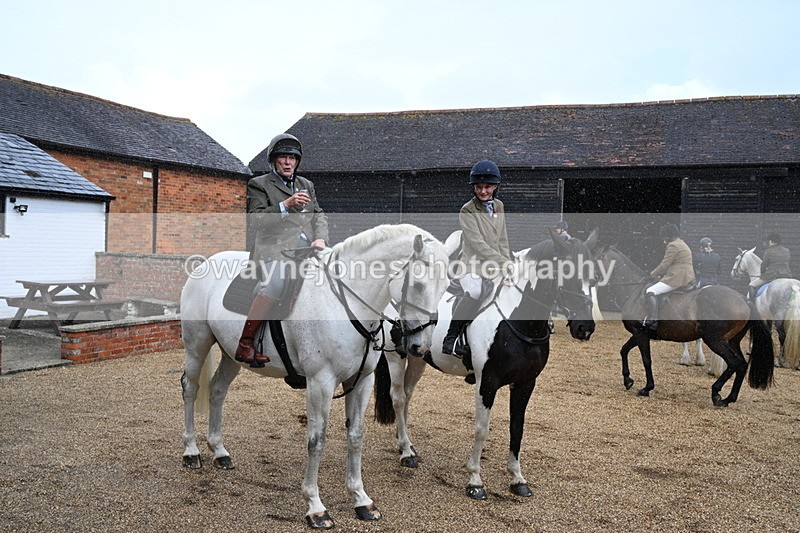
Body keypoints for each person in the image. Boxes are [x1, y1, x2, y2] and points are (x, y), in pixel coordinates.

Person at [236, 133, 329, 367]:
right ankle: (245, 343)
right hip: (273, 251)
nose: (288, 162)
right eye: (283, 158)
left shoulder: (306, 185)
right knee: (276, 282)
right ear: (273, 161)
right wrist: (284, 206)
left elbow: (318, 215)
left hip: (307, 249)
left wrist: (321, 239)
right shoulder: (259, 184)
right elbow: (255, 221)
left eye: (292, 158)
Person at [442, 159, 512, 355]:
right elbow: (477, 244)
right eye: (479, 187)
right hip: (471, 266)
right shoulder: (467, 210)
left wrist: (507, 264)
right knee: (475, 292)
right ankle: (451, 338)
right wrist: (502, 261)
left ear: (495, 187)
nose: (483, 192)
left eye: (487, 187)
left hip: (495, 265)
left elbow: (503, 239)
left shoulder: (499, 206)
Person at [641, 223, 695, 331]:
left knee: (650, 291)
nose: (664, 241)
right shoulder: (682, 243)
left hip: (677, 278)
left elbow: (664, 264)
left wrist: (651, 275)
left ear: (670, 235)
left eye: (665, 237)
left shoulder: (673, 245)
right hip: (687, 276)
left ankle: (653, 319)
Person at [748, 232, 792, 300]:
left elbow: (763, 265)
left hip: (772, 275)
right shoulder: (786, 251)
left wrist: (763, 274)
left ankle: (751, 303)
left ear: (771, 241)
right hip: (786, 275)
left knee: (752, 284)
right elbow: (787, 263)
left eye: (769, 241)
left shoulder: (768, 251)